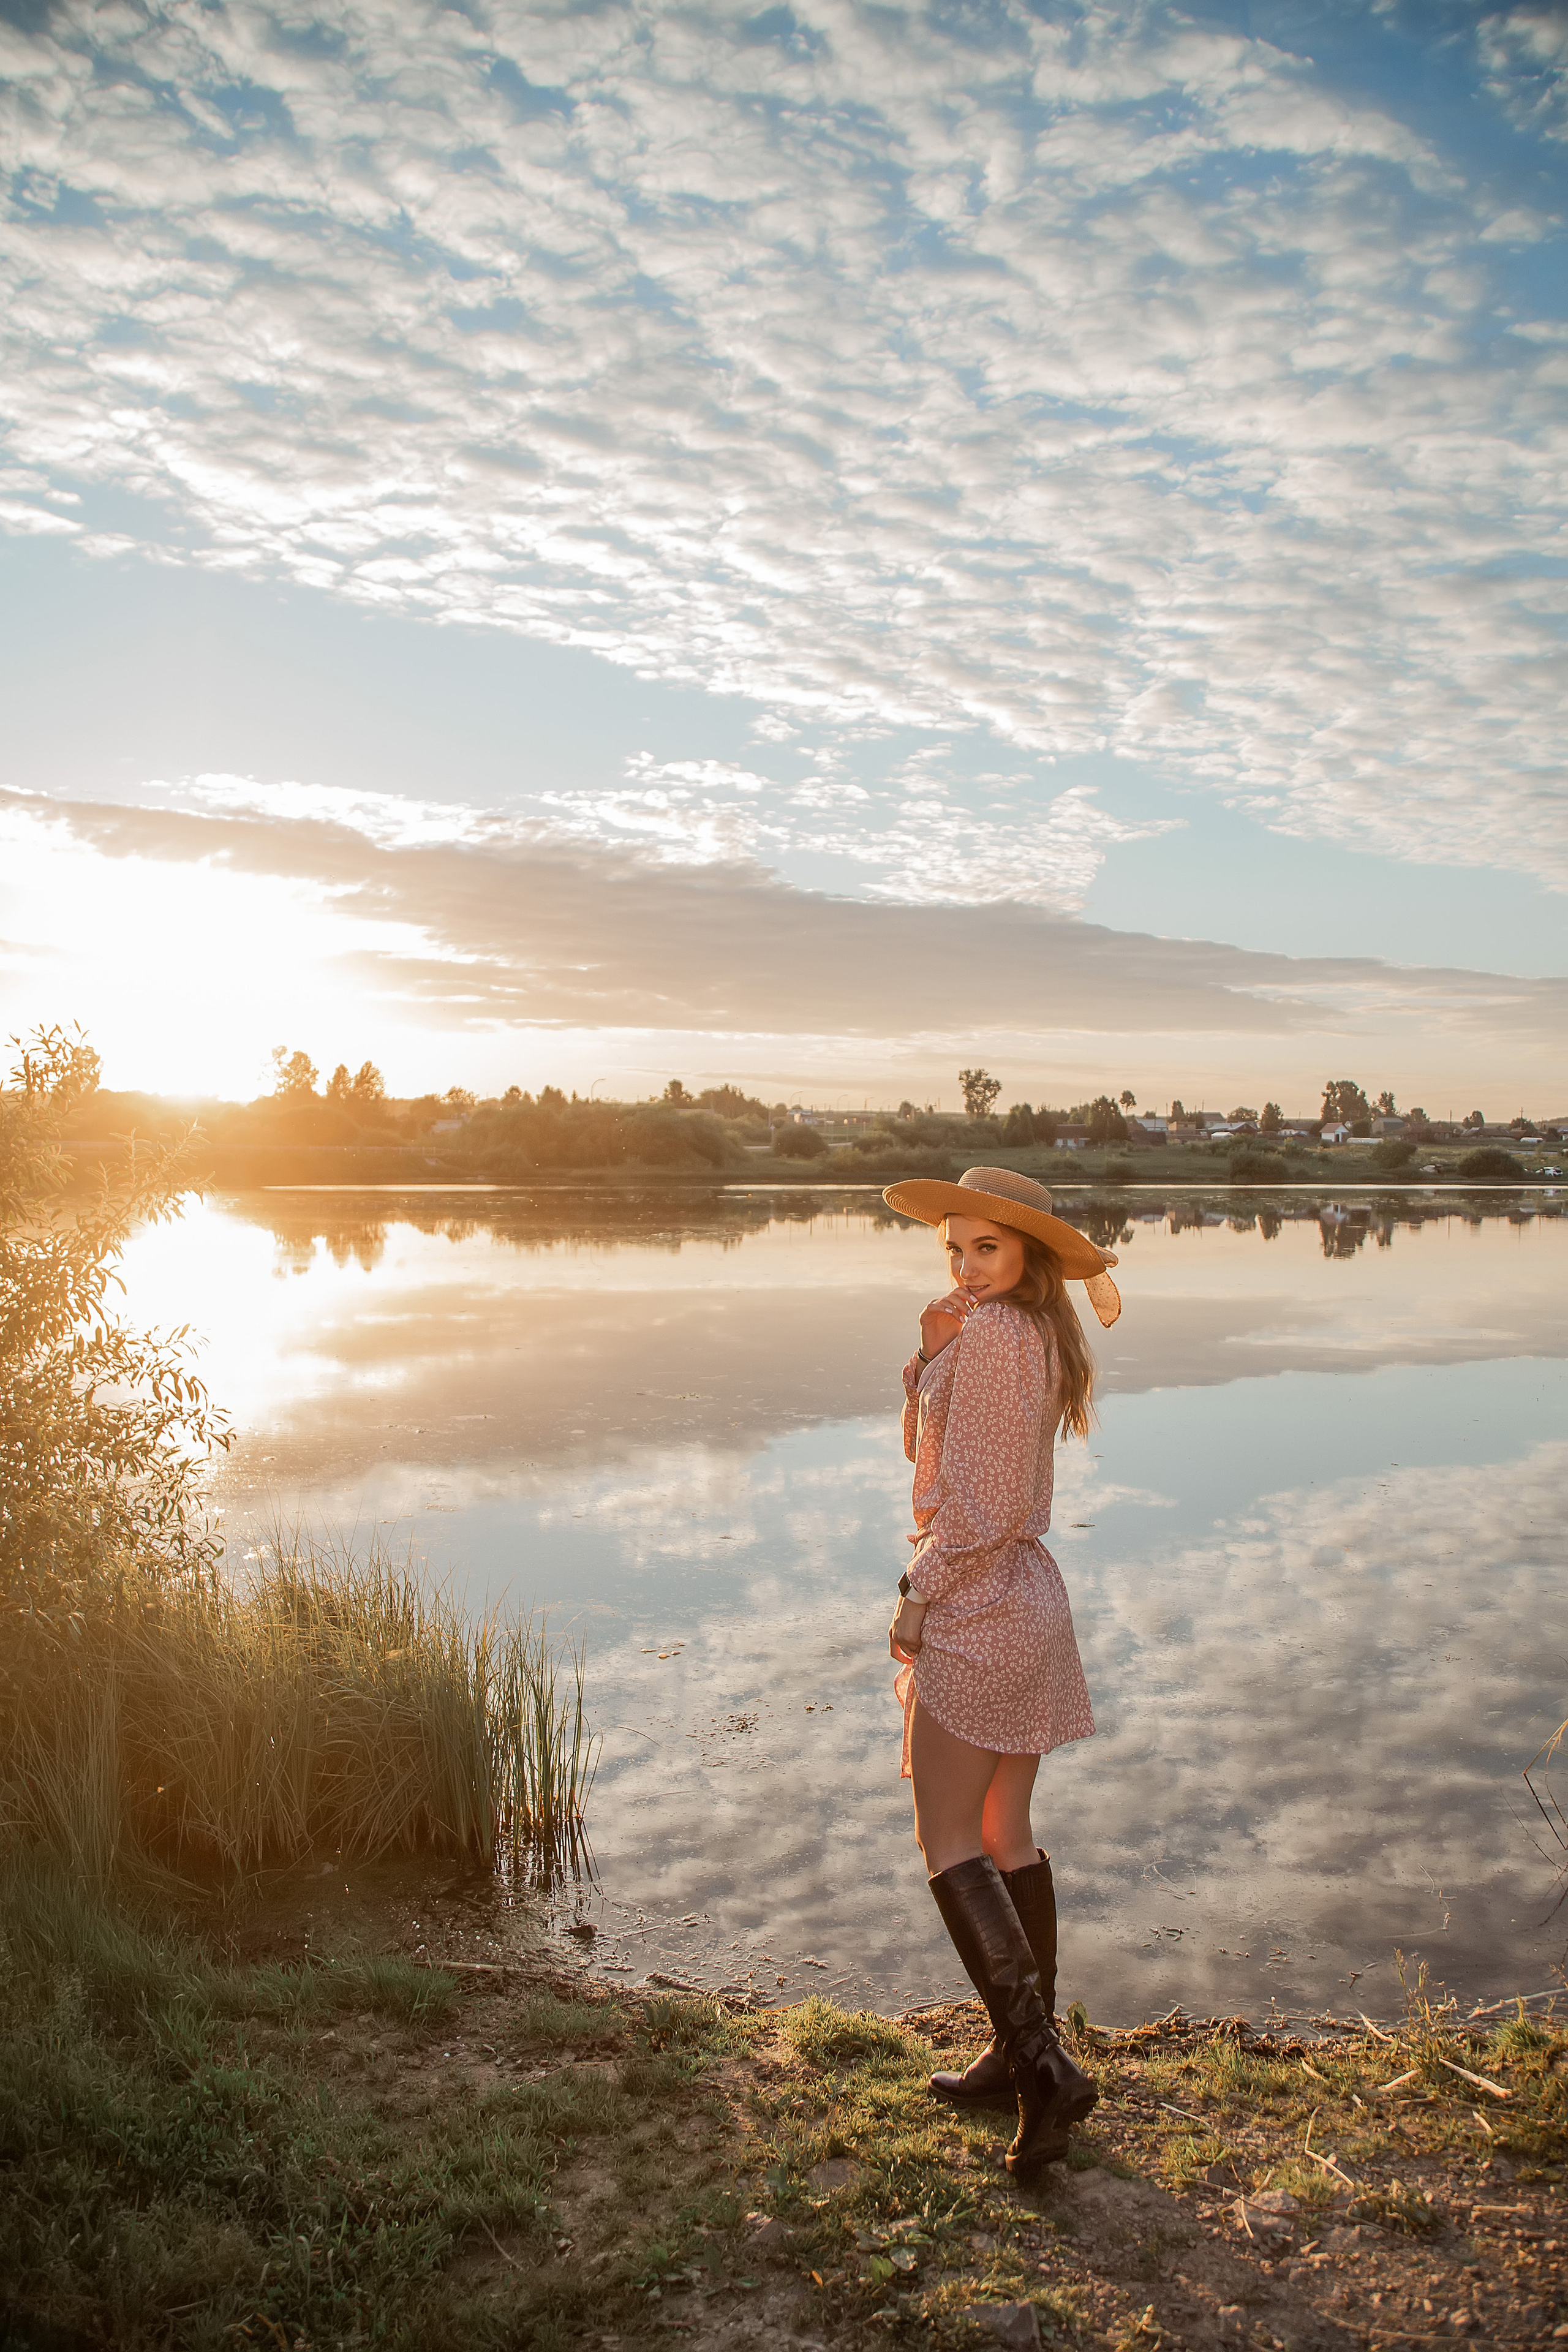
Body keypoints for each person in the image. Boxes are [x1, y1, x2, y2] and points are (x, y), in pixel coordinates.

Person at [881, 1165, 1123, 2175]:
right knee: (1003, 1830)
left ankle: (1043, 2069)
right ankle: (1019, 2053)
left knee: (948, 1840)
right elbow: (947, 1463)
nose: (967, 1267)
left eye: (987, 1248)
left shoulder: (993, 1343)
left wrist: (916, 1595)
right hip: (1031, 1598)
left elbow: (967, 1510)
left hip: (980, 1600)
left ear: (1026, 1256)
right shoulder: (1028, 1337)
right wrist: (927, 1359)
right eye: (955, 1249)